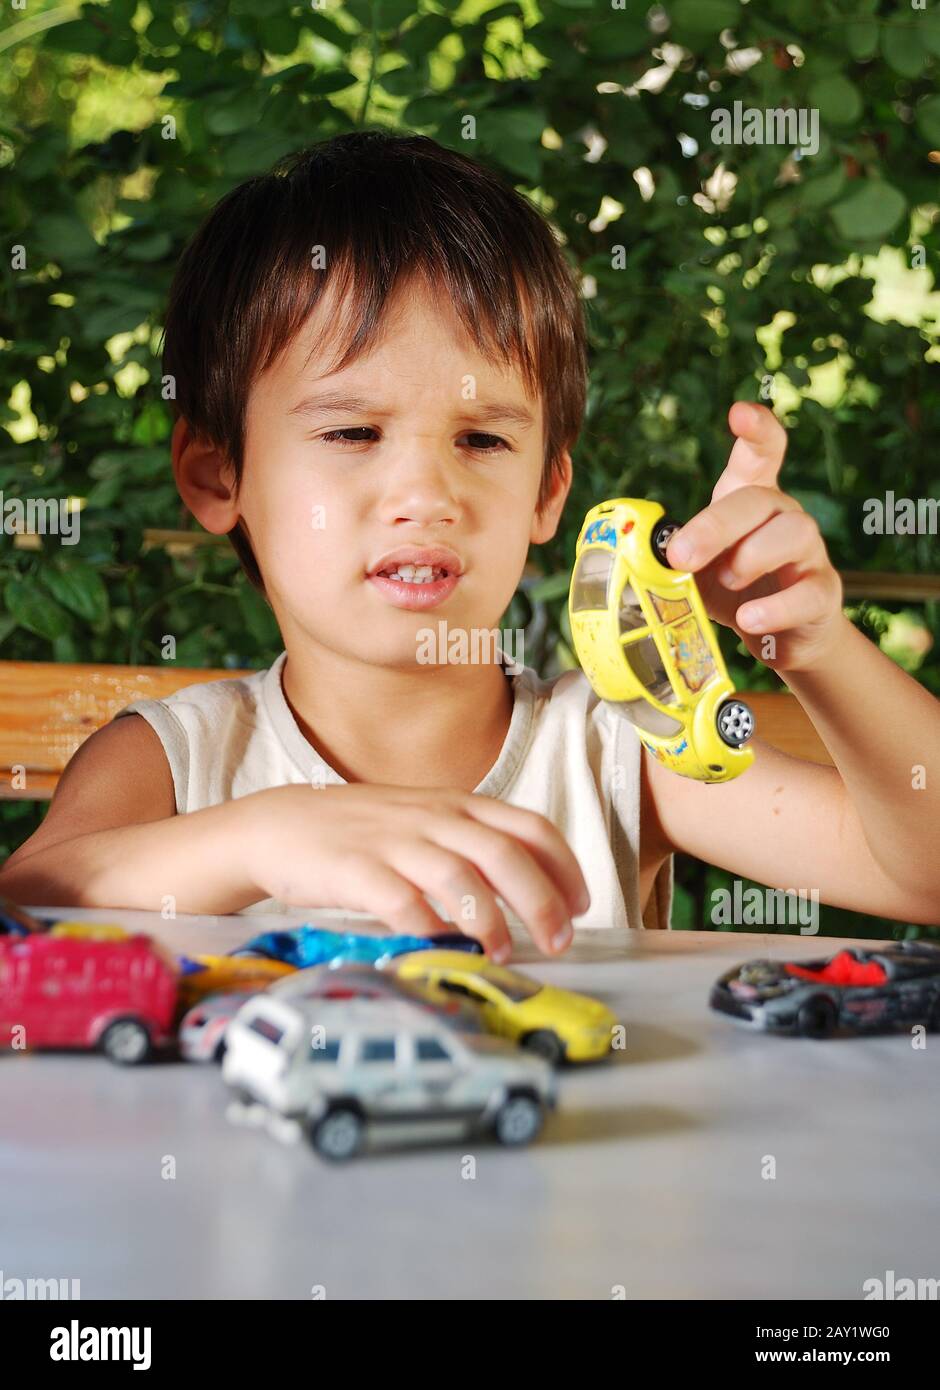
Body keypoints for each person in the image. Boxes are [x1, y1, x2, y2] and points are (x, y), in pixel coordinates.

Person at [2, 131, 938, 961]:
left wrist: (812, 645)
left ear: (546, 491)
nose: (426, 494)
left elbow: (924, 878)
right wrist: (262, 836)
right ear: (218, 478)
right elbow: (25, 904)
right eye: (353, 433)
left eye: (483, 440)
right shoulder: (171, 764)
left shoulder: (617, 750)